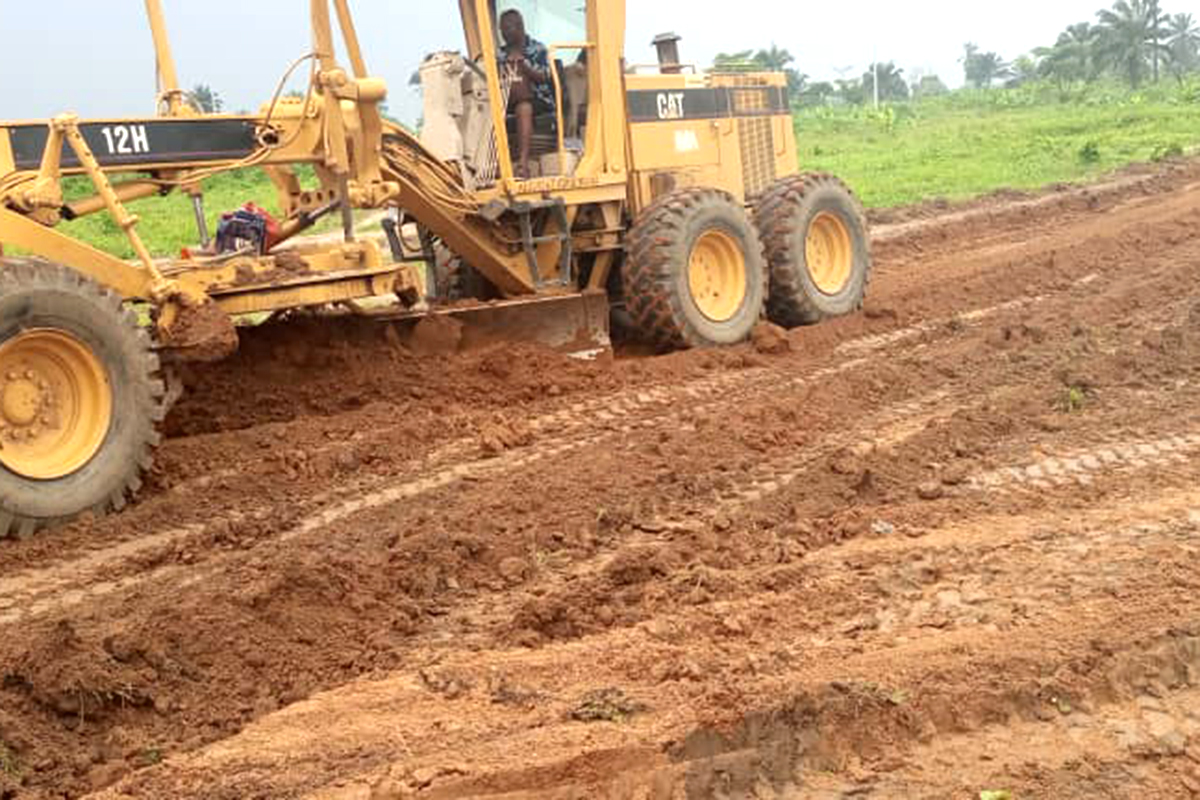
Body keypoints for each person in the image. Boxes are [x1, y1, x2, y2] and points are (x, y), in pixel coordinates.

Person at [498, 9, 554, 179]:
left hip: (539, 98)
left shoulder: (538, 48)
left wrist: (524, 65)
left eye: (507, 28)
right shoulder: (499, 54)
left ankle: (523, 165)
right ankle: (494, 165)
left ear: (520, 27)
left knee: (523, 107)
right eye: (502, 29)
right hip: (507, 98)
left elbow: (545, 77)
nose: (504, 34)